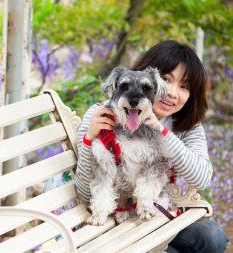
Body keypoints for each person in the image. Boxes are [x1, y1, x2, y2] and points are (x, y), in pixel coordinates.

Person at [74, 40, 229, 252]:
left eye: (184, 86)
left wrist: (163, 132)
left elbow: (202, 179)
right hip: (111, 220)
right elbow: (84, 192)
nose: (171, 93)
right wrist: (88, 139)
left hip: (155, 213)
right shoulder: (100, 116)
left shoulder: (187, 128)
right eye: (167, 80)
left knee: (211, 236)